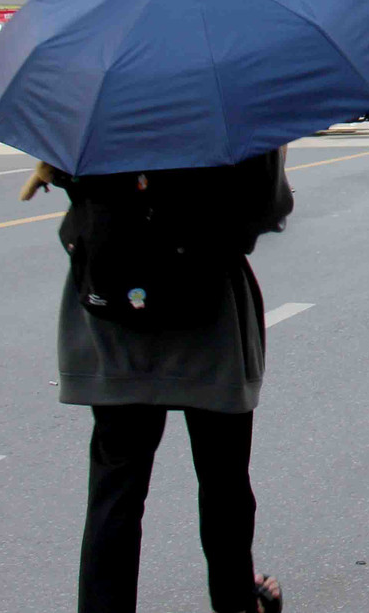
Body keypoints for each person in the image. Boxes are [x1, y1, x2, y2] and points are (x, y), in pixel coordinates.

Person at [24, 152, 291, 613]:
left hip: (115, 319)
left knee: (116, 487)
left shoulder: (98, 102)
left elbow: (81, 203)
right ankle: (236, 601)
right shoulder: (227, 105)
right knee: (224, 480)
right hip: (208, 315)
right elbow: (266, 210)